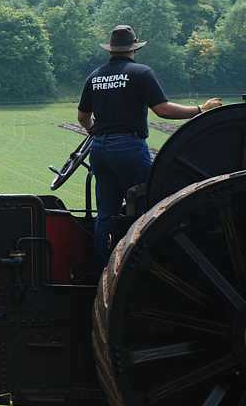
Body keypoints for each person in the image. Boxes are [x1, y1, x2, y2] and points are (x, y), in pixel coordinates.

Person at [77, 24, 222, 270]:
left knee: (105, 213)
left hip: (100, 150)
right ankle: (151, 265)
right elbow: (163, 110)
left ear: (111, 49)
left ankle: (102, 267)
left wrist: (96, 131)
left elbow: (82, 117)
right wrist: (200, 110)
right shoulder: (141, 73)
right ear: (134, 48)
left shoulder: (96, 76)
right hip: (129, 148)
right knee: (154, 202)